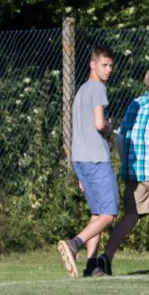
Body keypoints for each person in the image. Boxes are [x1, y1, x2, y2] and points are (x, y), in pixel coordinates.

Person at [96, 66, 149, 276]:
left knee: (131, 215)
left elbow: (121, 137)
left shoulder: (135, 103)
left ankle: (106, 257)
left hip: (133, 170)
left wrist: (126, 162)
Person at [57, 44, 118, 278]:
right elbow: (99, 123)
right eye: (104, 65)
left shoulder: (81, 90)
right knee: (109, 214)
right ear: (92, 64)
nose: (108, 69)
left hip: (80, 158)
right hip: (96, 158)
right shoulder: (98, 89)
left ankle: (92, 265)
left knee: (97, 213)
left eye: (111, 65)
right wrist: (110, 128)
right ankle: (74, 244)